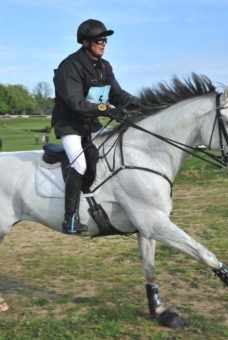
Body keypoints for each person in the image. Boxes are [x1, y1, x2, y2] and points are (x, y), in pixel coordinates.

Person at [51, 19, 141, 234]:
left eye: (105, 40)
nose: (103, 44)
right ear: (85, 42)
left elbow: (117, 95)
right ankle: (70, 218)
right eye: (99, 40)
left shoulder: (104, 66)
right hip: (70, 125)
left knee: (115, 152)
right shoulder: (69, 66)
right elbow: (75, 102)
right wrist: (106, 109)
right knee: (80, 165)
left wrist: (143, 104)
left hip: (91, 123)